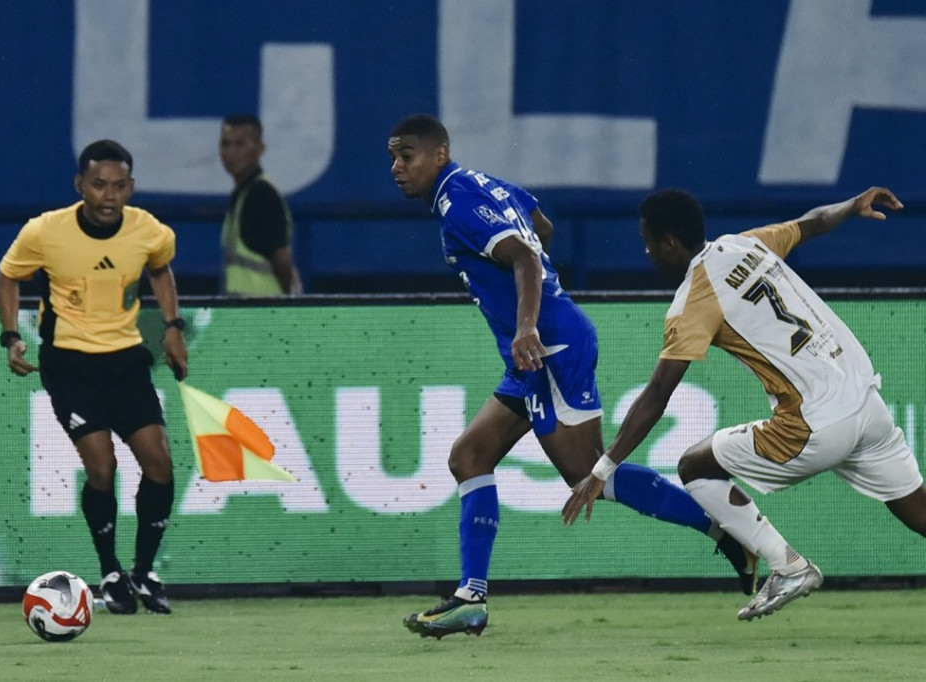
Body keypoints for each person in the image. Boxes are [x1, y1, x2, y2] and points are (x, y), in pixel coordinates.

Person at [388, 114, 756, 639]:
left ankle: (724, 530)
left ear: (439, 154)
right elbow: (541, 227)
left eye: (407, 156)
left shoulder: (458, 202)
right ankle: (471, 599)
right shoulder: (481, 184)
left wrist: (527, 325)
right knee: (468, 456)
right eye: (393, 158)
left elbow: (524, 256)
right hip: (538, 351)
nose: (398, 168)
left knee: (587, 474)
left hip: (548, 347)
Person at [562, 186, 926, 621]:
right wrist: (850, 206)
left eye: (649, 242)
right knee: (919, 510)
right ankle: (785, 566)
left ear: (670, 243)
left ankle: (788, 565)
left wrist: (601, 470)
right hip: (866, 402)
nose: (647, 252)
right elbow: (812, 221)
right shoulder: (745, 243)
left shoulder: (693, 298)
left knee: (694, 466)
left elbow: (658, 395)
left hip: (815, 423)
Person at [0, 139, 189, 615]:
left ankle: (143, 574)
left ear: (131, 187)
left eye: (119, 186)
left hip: (126, 361)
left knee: (160, 464)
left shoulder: (150, 231)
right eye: (99, 185)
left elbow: (160, 270)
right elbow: (8, 276)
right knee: (103, 467)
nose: (109, 196)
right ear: (79, 185)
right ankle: (110, 572)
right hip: (70, 365)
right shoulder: (44, 232)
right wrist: (11, 336)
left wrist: (172, 327)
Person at [219, 114, 302, 296]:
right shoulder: (242, 195)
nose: (230, 152)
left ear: (259, 148)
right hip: (247, 312)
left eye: (239, 144)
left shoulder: (261, 196)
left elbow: (281, 259)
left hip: (261, 314)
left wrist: (290, 301)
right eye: (225, 144)